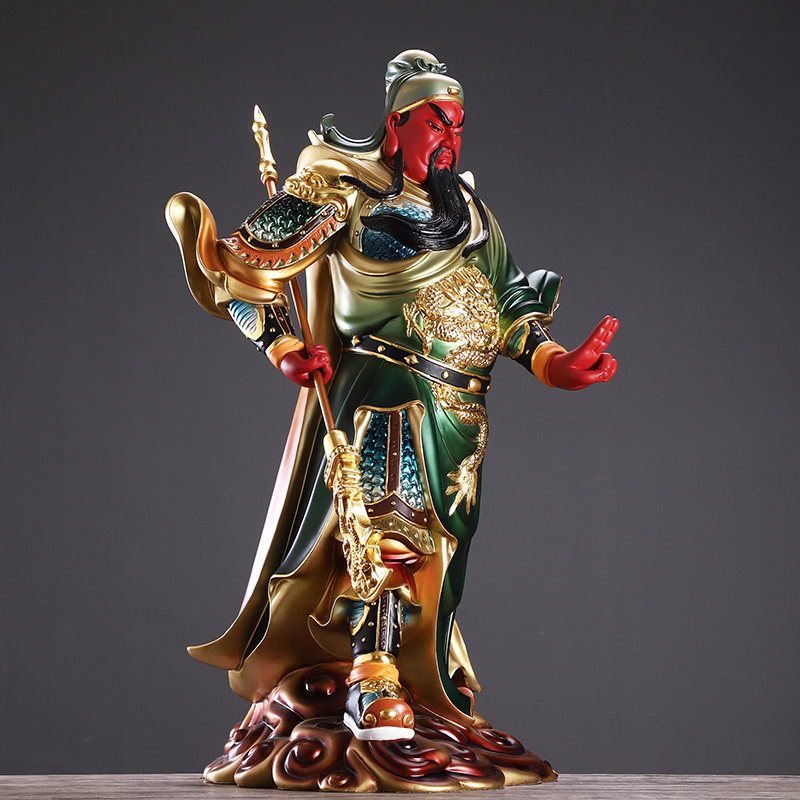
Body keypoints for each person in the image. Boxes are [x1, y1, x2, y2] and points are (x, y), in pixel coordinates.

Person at [167, 49, 617, 787]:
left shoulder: (469, 212)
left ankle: (428, 682)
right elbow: (239, 270)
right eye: (437, 122)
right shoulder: (340, 190)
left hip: (460, 411)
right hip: (384, 391)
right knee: (386, 528)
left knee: (441, 556)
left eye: (460, 126)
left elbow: (507, 301)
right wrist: (281, 344)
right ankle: (372, 674)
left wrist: (553, 362)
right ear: (397, 121)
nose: (451, 139)